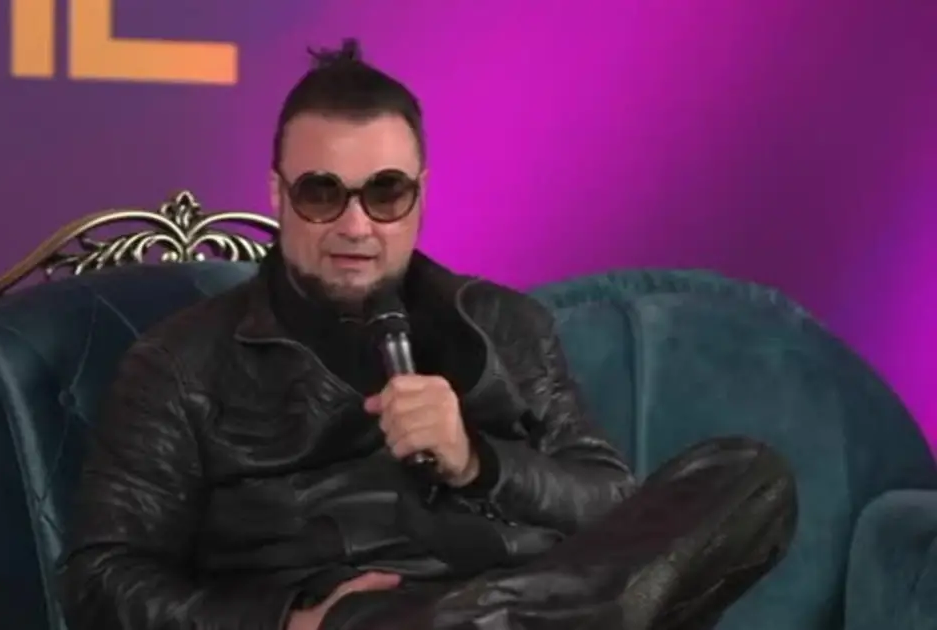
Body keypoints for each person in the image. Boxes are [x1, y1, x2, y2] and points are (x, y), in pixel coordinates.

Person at [57, 39, 798, 630]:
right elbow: (101, 579)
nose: (355, 225)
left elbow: (616, 509)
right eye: (322, 193)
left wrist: (479, 461)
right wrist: (288, 622)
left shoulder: (506, 325)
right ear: (278, 194)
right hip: (367, 614)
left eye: (385, 192)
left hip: (511, 583)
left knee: (745, 474)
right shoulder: (182, 362)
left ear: (419, 195)